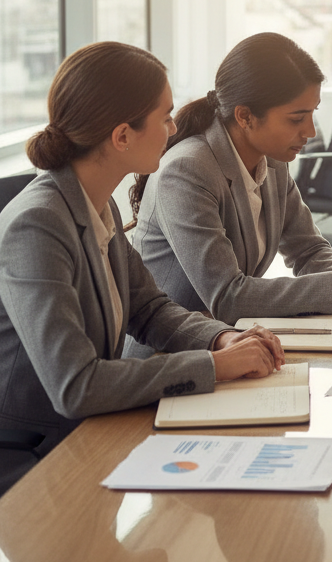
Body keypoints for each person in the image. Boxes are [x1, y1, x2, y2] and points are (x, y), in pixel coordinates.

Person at [0, 42, 285, 495]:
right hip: (40, 459)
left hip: (96, 432)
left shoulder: (96, 205)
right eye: (166, 116)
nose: (174, 130)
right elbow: (77, 385)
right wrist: (215, 365)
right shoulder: (37, 224)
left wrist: (221, 337)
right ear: (121, 136)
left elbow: (149, 309)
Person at [128, 33, 332, 343]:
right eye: (296, 118)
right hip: (174, 354)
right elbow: (227, 297)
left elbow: (308, 250)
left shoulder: (271, 161)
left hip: (232, 343)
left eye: (312, 113)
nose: (310, 131)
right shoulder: (188, 170)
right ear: (245, 116)